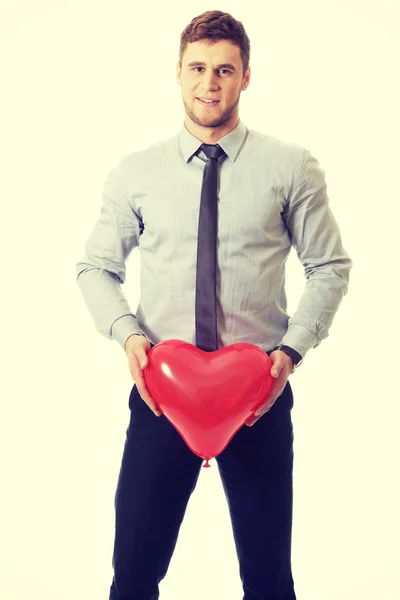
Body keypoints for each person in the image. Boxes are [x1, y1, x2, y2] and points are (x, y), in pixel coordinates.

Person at [75, 9, 352, 600]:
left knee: (269, 579)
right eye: (197, 68)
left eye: (224, 70)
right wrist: (129, 336)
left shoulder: (291, 168)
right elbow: (96, 267)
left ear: (246, 76)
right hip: (161, 394)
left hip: (259, 396)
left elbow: (329, 267)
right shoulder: (136, 174)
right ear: (177, 73)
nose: (209, 83)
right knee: (133, 573)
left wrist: (291, 352)